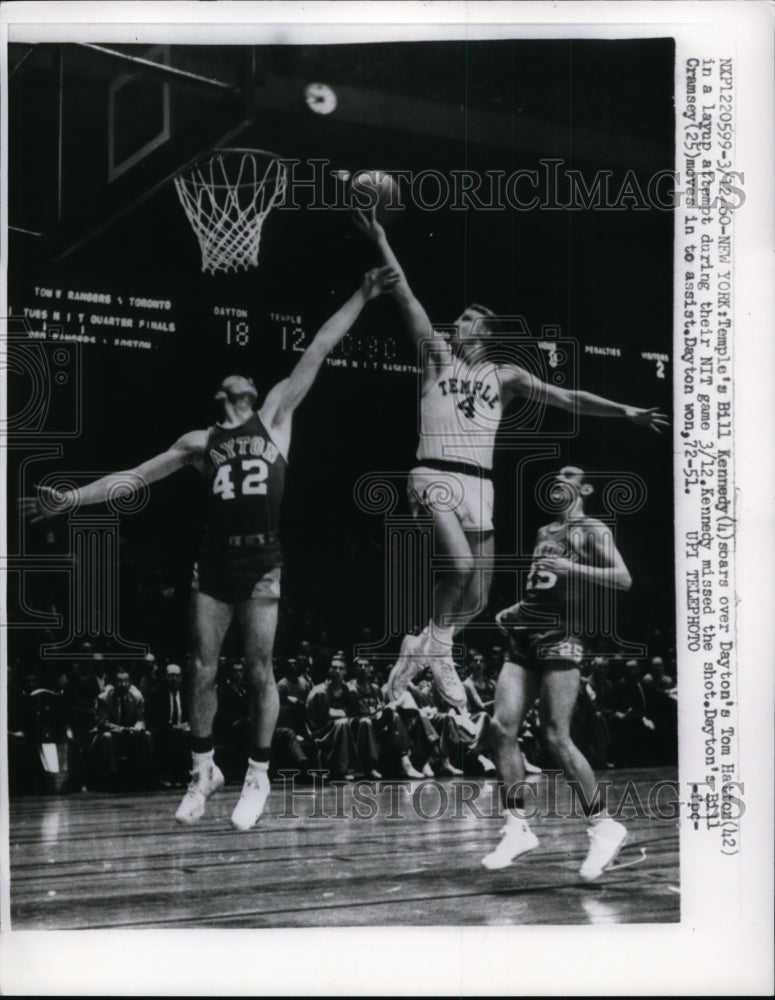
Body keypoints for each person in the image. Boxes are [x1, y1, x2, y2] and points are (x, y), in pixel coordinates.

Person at [22, 266, 398, 829]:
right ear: (223, 395)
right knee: (199, 667)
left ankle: (257, 774)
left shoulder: (276, 416)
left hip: (263, 559)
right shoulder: (200, 442)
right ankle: (204, 771)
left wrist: (362, 294)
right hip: (214, 560)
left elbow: (319, 346)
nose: (239, 380)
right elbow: (136, 477)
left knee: (258, 669)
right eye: (231, 380)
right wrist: (70, 499)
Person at [354, 208, 667, 711]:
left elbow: (569, 398)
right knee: (457, 566)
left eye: (464, 320)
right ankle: (439, 653)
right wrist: (383, 239)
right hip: (433, 472)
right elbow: (404, 292)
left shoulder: (506, 377)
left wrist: (625, 410)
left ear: (482, 332)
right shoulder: (435, 355)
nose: (454, 324)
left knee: (477, 594)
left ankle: (418, 654)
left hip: (482, 484)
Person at [483, 466, 633, 881]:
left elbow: (623, 578)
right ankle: (517, 828)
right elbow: (544, 585)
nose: (559, 476)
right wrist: (517, 608)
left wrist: (577, 570)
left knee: (554, 735)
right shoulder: (545, 532)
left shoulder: (593, 529)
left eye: (570, 474)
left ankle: (603, 825)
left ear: (584, 488)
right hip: (526, 634)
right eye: (556, 473)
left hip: (563, 634)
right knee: (501, 727)